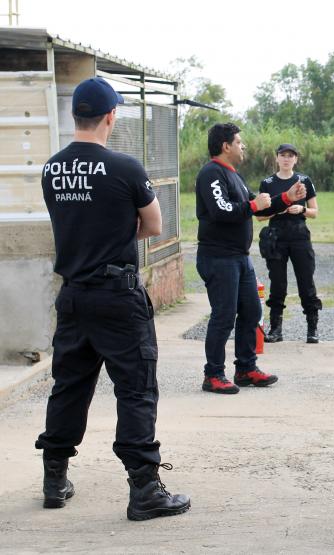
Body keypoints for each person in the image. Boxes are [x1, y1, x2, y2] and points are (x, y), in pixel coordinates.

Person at [35, 77, 190, 520]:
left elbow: (68, 224)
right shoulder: (125, 168)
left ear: (75, 117)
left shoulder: (52, 168)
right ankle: (145, 489)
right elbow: (154, 225)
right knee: (136, 389)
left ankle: (54, 477)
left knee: (69, 386)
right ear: (110, 116)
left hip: (74, 296)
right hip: (117, 296)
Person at [195, 123, 307, 394]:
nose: (242, 146)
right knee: (223, 316)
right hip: (218, 257)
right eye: (239, 142)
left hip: (239, 258)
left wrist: (285, 197)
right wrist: (253, 206)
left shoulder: (235, 175)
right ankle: (213, 375)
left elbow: (259, 208)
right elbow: (221, 209)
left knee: (252, 311)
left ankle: (246, 368)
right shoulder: (211, 173)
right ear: (225, 146)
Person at [257, 144, 322, 344]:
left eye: (290, 156)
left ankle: (312, 329)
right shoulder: (267, 183)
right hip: (276, 237)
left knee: (306, 282)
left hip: (299, 236)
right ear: (276, 158)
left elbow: (315, 211)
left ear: (296, 159)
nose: (286, 159)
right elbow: (260, 216)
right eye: (283, 155)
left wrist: (300, 210)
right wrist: (280, 210)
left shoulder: (303, 181)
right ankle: (276, 329)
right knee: (277, 283)